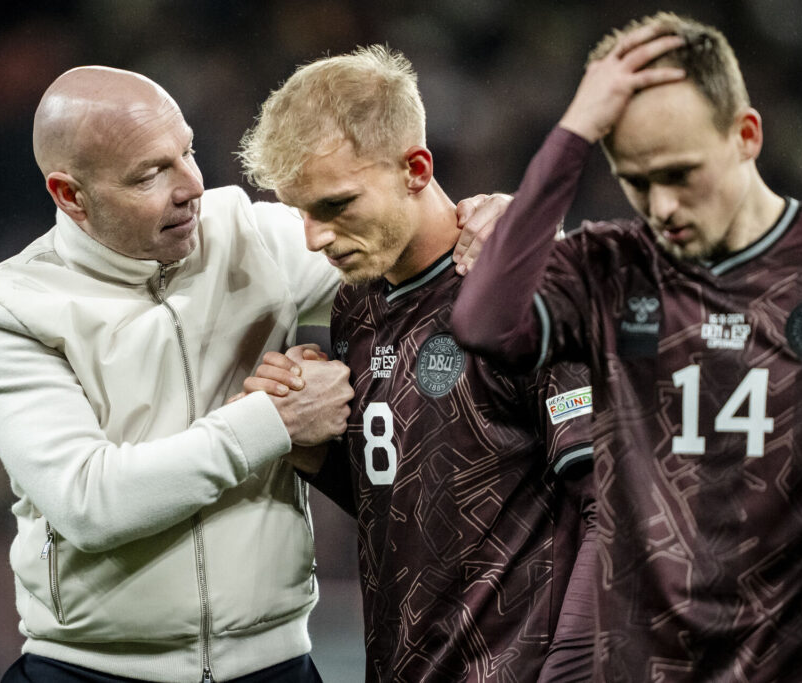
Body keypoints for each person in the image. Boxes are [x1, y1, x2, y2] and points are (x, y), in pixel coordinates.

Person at [0, 65, 500, 683]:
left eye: (184, 150)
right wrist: (274, 421)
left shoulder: (247, 235)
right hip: (89, 671)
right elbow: (88, 501)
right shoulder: (5, 309)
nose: (190, 185)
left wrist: (503, 223)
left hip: (275, 665)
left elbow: (410, 241)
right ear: (71, 195)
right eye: (149, 174)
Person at [451, 12, 802, 682]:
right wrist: (573, 132)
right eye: (637, 180)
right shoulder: (609, 267)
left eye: (681, 173)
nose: (663, 205)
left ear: (746, 135)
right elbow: (484, 323)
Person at [238, 46, 597, 682]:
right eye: (300, 210)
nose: (313, 238)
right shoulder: (355, 304)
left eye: (336, 205)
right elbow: (410, 496)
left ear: (416, 167)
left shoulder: (524, 287)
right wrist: (307, 442)